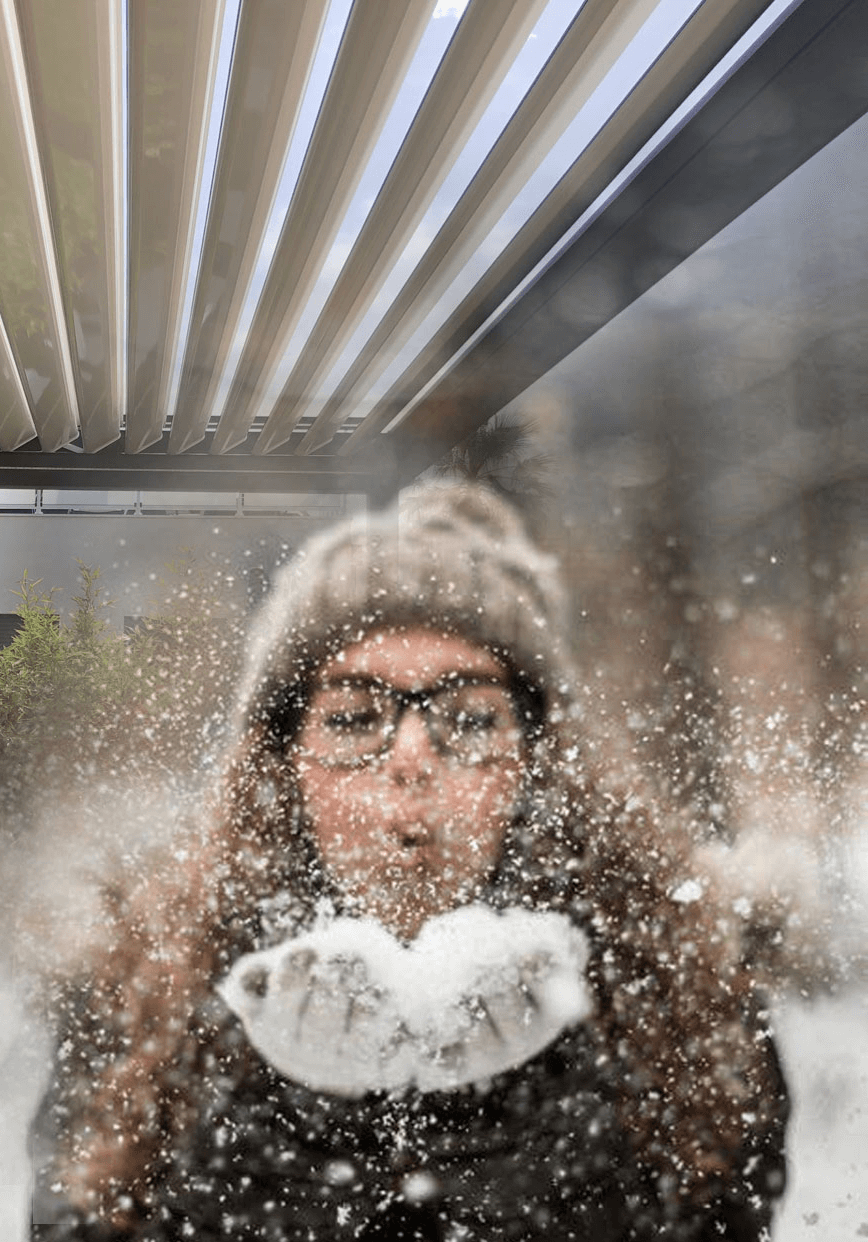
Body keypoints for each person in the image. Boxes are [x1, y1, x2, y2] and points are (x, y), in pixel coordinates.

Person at [30, 484, 788, 1240]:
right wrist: (306, 1125)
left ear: (538, 762)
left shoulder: (675, 979)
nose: (411, 758)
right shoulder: (143, 990)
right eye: (355, 718)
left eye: (468, 718)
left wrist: (507, 1128)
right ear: (280, 760)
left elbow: (724, 1212)